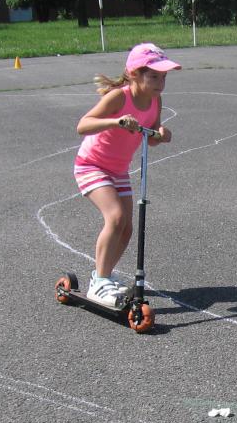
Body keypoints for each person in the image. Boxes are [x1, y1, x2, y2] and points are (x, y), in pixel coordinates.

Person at [74, 42, 180, 305]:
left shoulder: (155, 100)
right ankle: (99, 282)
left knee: (126, 229)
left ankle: (103, 276)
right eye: (154, 76)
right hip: (92, 165)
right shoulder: (119, 97)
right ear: (134, 74)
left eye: (163, 77)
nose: (160, 83)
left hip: (118, 170)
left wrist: (161, 134)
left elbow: (151, 137)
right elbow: (83, 125)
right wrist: (116, 121)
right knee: (116, 217)